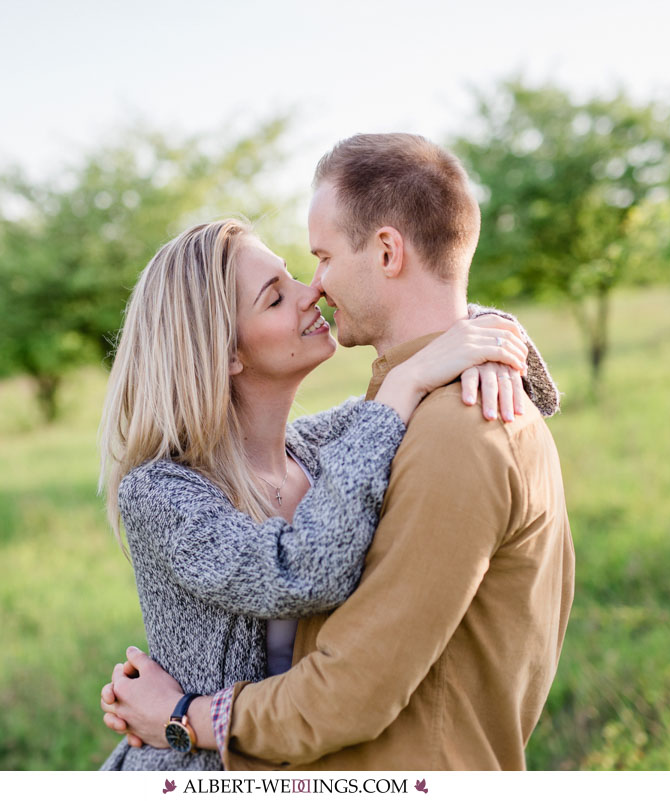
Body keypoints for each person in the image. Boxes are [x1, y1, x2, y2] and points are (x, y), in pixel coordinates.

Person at [101, 133, 574, 770]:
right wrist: (181, 719)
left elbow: (418, 363)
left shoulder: (334, 447)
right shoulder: (162, 491)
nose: (312, 289)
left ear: (386, 251)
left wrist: (489, 338)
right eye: (276, 293)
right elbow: (301, 570)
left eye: (314, 261)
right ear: (227, 354)